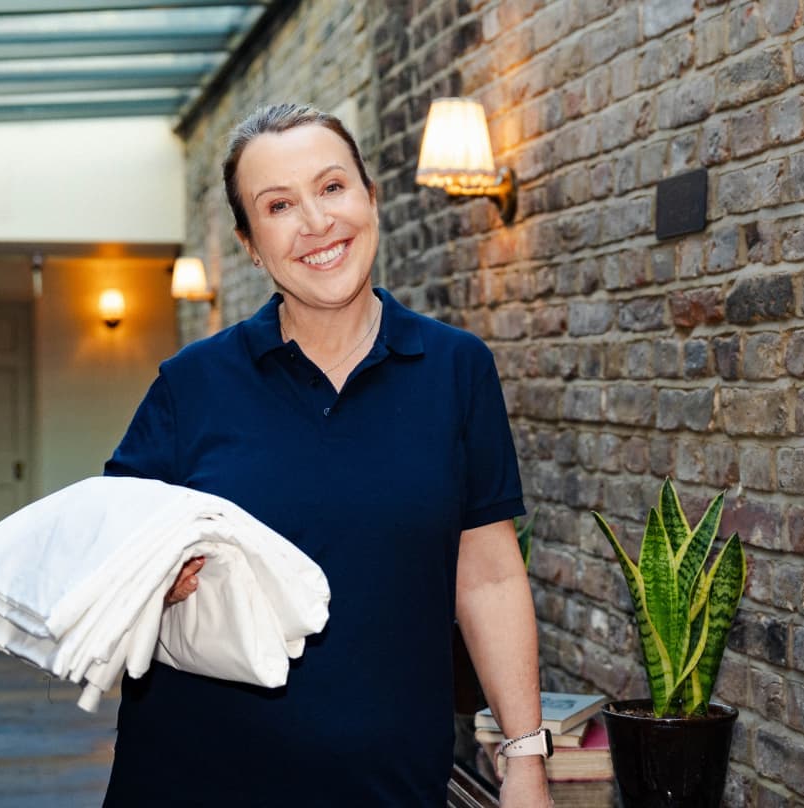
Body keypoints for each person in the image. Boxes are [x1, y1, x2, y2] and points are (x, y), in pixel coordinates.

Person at [101, 103, 552, 807]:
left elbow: (489, 575)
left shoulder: (456, 369)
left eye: (332, 187)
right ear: (252, 244)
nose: (316, 221)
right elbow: (104, 559)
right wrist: (157, 583)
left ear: (371, 198)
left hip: (389, 782)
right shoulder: (191, 385)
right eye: (279, 205)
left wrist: (525, 759)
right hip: (195, 779)